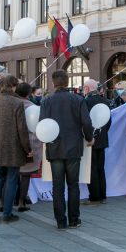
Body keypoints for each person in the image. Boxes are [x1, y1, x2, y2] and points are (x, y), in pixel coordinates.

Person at [39, 69, 94, 230]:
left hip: (54, 147)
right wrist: (89, 138)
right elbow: (86, 122)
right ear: (67, 82)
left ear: (53, 83)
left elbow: (42, 124)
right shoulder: (78, 99)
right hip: (73, 147)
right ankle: (74, 219)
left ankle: (60, 221)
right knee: (73, 184)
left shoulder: (46, 101)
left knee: (57, 186)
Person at [0, 75, 32, 223]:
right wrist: (27, 148)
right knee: (11, 179)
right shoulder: (17, 103)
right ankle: (7, 214)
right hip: (13, 148)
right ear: (14, 86)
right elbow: (22, 129)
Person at [83, 79, 111, 205]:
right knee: (100, 168)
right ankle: (102, 195)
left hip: (90, 140)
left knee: (92, 169)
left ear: (87, 89)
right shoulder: (105, 101)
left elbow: (85, 122)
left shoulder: (86, 102)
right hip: (102, 139)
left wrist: (89, 137)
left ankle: (94, 197)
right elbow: (108, 121)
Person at [16, 82, 43, 211]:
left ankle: (4, 203)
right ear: (29, 93)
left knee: (9, 174)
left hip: (13, 144)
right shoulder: (33, 107)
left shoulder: (13, 105)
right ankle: (22, 202)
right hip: (29, 144)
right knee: (25, 175)